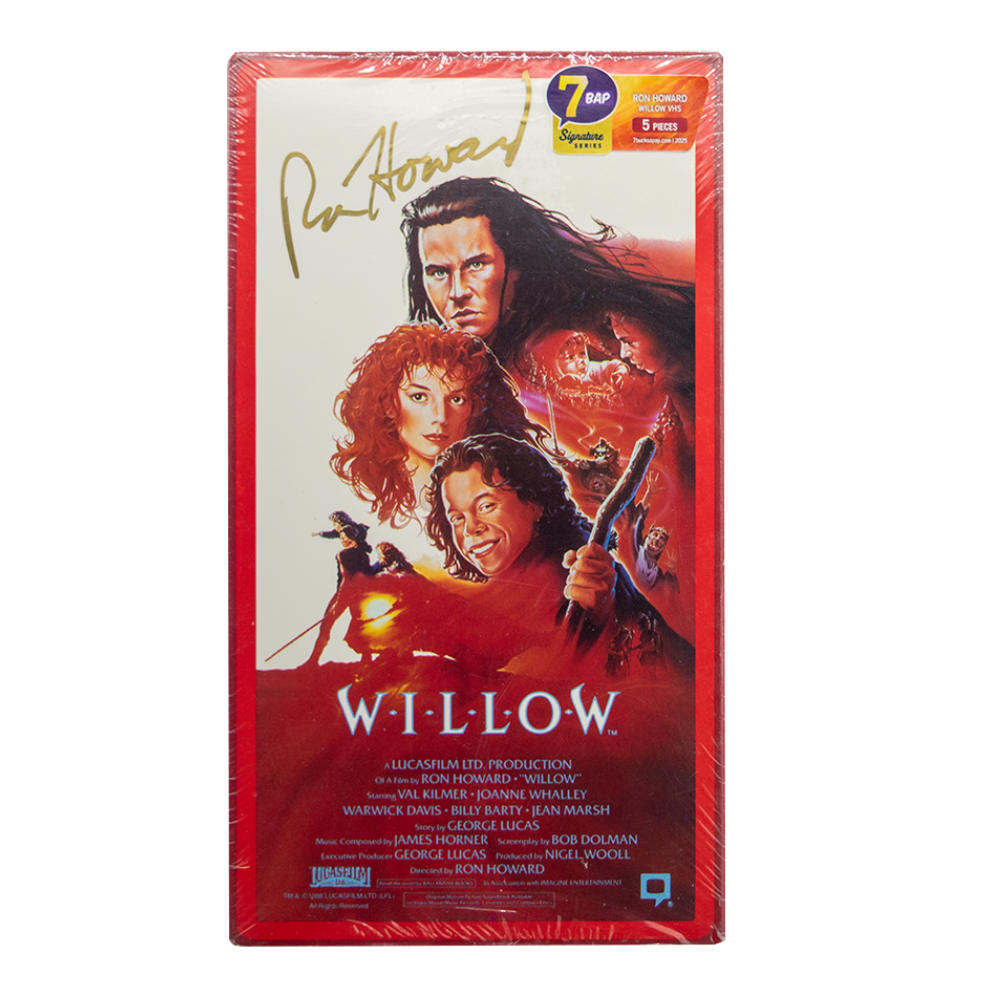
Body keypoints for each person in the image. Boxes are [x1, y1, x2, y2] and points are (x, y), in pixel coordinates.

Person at [425, 434, 693, 671]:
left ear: (534, 503)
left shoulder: (572, 570)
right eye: (457, 518)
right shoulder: (501, 587)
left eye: (486, 506)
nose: (470, 529)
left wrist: (604, 612)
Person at [400, 176, 696, 380]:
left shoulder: (558, 353)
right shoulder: (437, 373)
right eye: (439, 272)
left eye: (476, 265)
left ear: (516, 264)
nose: (457, 292)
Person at [331, 324, 552, 527]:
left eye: (457, 399)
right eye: (419, 397)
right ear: (388, 404)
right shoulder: (366, 502)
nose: (440, 417)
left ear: (475, 408)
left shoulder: (506, 497)